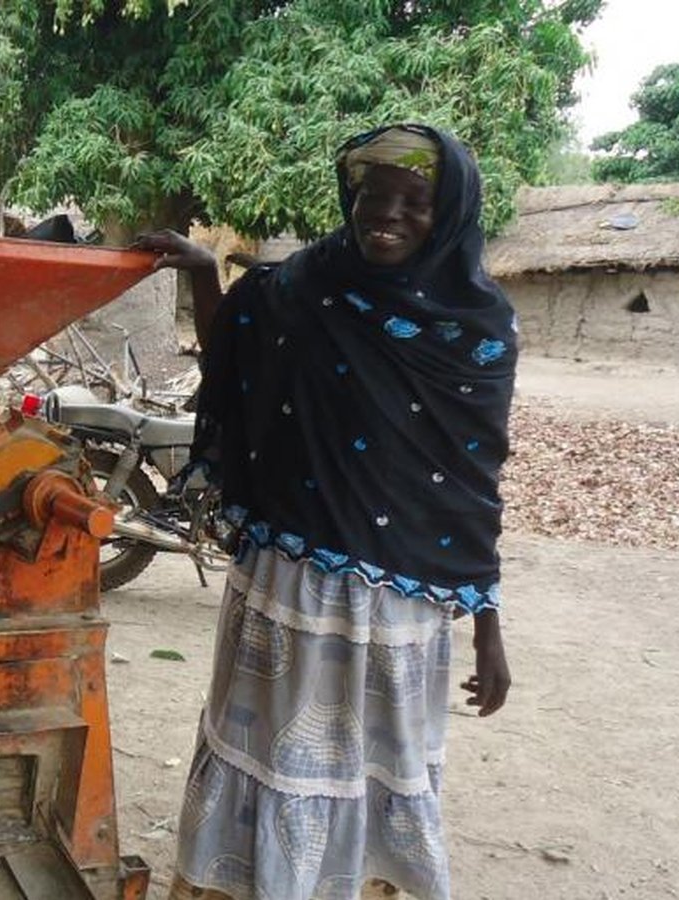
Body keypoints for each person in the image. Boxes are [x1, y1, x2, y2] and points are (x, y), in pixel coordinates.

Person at [138, 124, 515, 900]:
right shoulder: (302, 287)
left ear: (447, 214)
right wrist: (207, 275)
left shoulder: (475, 329)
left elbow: (473, 484)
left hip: (399, 608)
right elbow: (234, 359)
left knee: (371, 772)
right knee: (272, 759)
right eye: (373, 195)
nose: (388, 213)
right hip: (288, 587)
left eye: (415, 200)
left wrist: (488, 627)